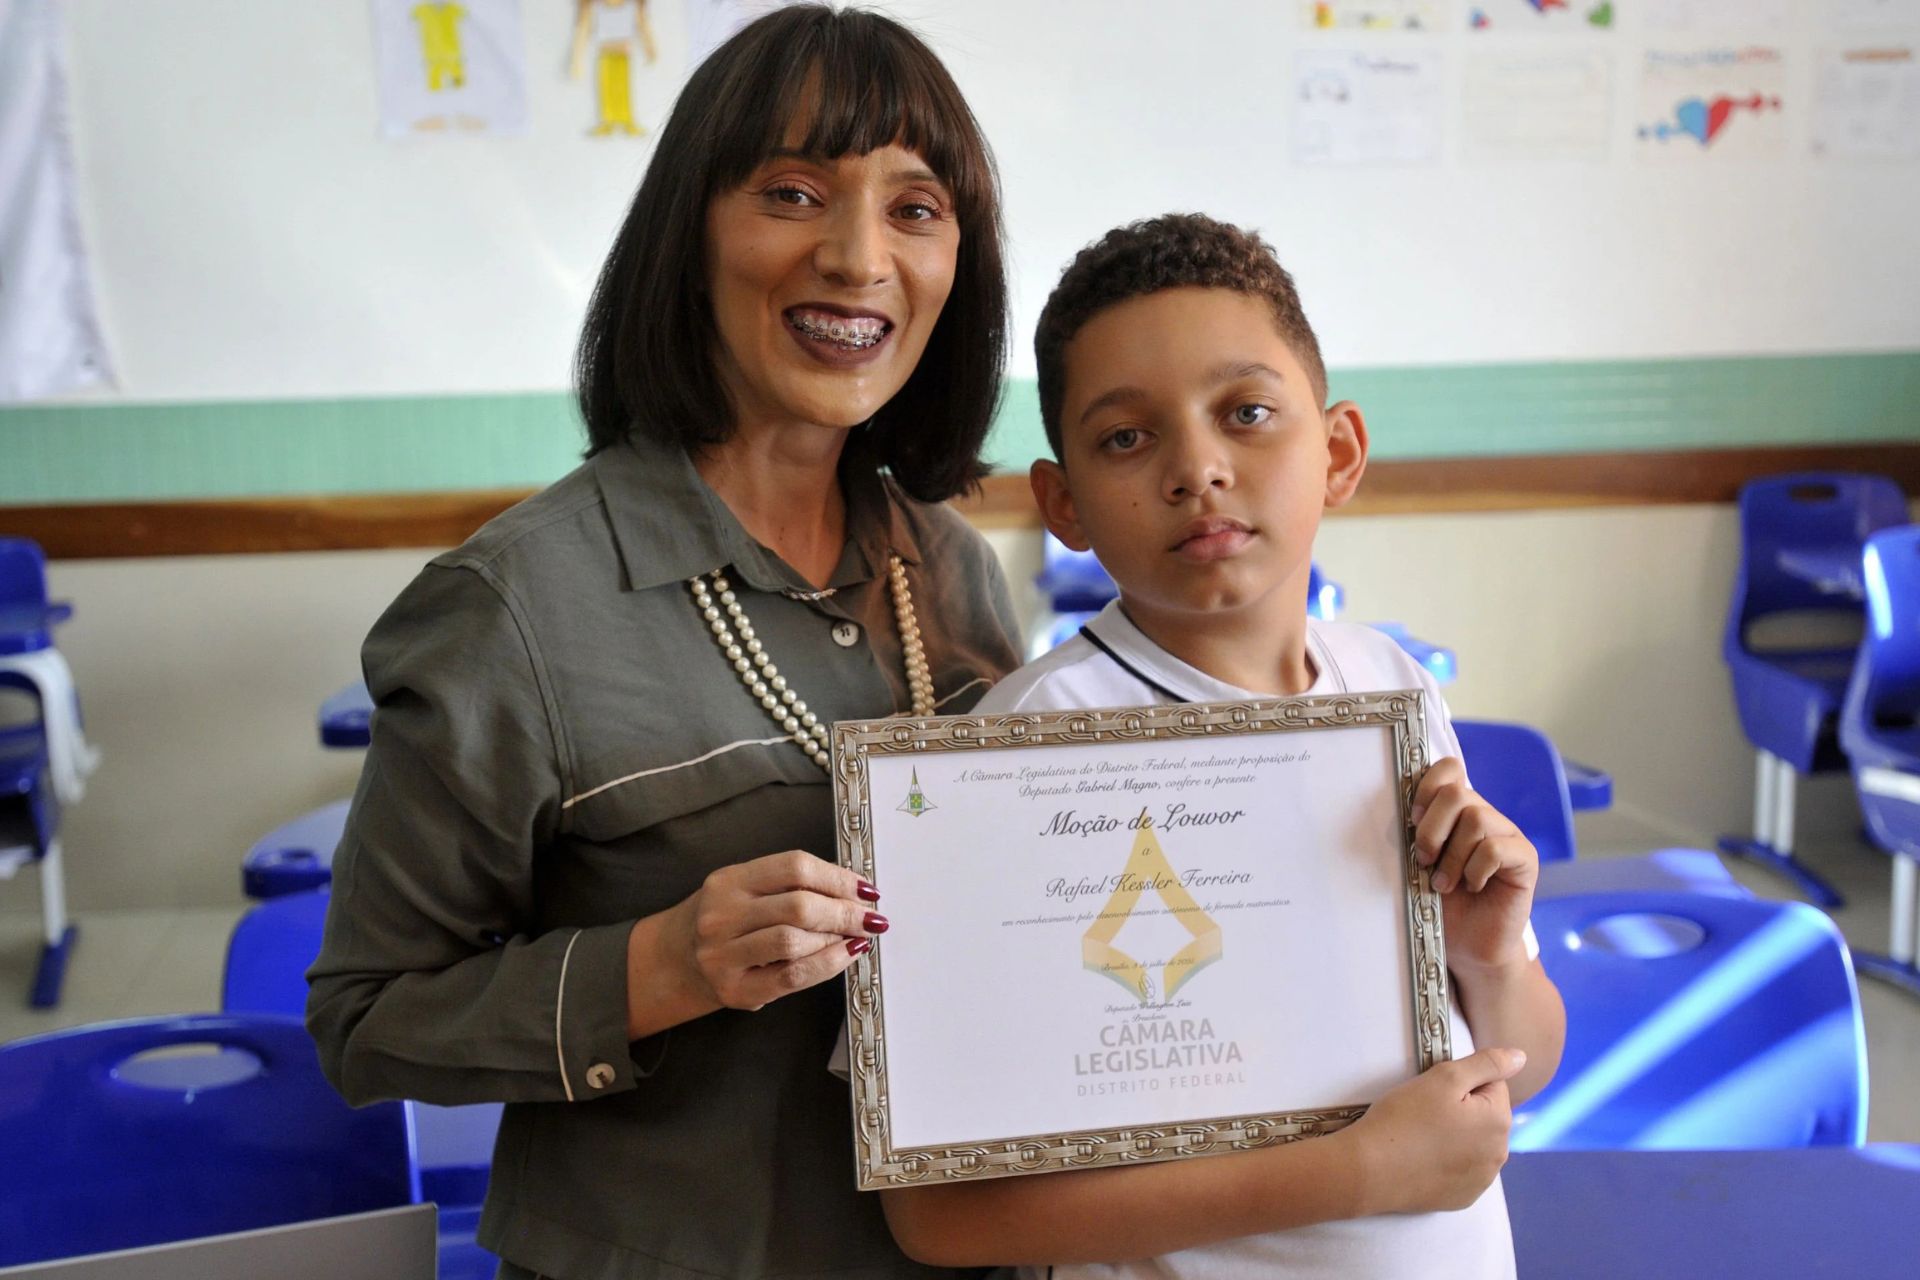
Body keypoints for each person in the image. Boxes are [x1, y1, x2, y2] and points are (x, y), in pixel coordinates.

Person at [306, 9, 1021, 1278]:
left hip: (957, 1248)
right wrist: (658, 965)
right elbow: (365, 1021)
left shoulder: (953, 568)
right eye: (793, 194)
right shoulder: (512, 604)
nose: (859, 256)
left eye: (916, 209)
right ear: (689, 235)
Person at [875, 213, 1567, 1278]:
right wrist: (1359, 1172)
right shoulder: (1024, 748)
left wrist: (1488, 956)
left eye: (1246, 413)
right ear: (1062, 504)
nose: (1197, 468)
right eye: (1126, 437)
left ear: (1338, 452)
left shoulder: (1389, 687)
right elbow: (943, 1215)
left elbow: (1520, 1070)